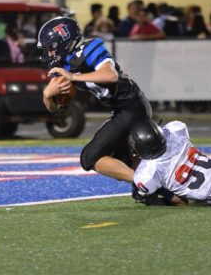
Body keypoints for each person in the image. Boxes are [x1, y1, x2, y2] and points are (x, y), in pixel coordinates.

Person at [39, 17, 152, 182]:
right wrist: (47, 95)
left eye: (52, 48)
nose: (50, 53)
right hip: (121, 112)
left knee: (89, 157)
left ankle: (145, 184)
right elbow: (54, 109)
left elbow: (110, 76)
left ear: (64, 41)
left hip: (132, 106)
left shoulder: (89, 47)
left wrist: (73, 77)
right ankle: (160, 191)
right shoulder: (63, 64)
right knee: (124, 161)